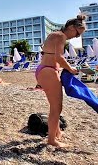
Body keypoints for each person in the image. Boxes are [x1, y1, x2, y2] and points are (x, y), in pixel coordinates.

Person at [35, 14, 86, 147]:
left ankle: (56, 132)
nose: (76, 37)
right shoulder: (61, 36)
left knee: (55, 106)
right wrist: (71, 69)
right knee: (57, 107)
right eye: (77, 33)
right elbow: (59, 58)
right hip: (49, 71)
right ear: (71, 27)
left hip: (45, 70)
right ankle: (52, 140)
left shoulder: (55, 35)